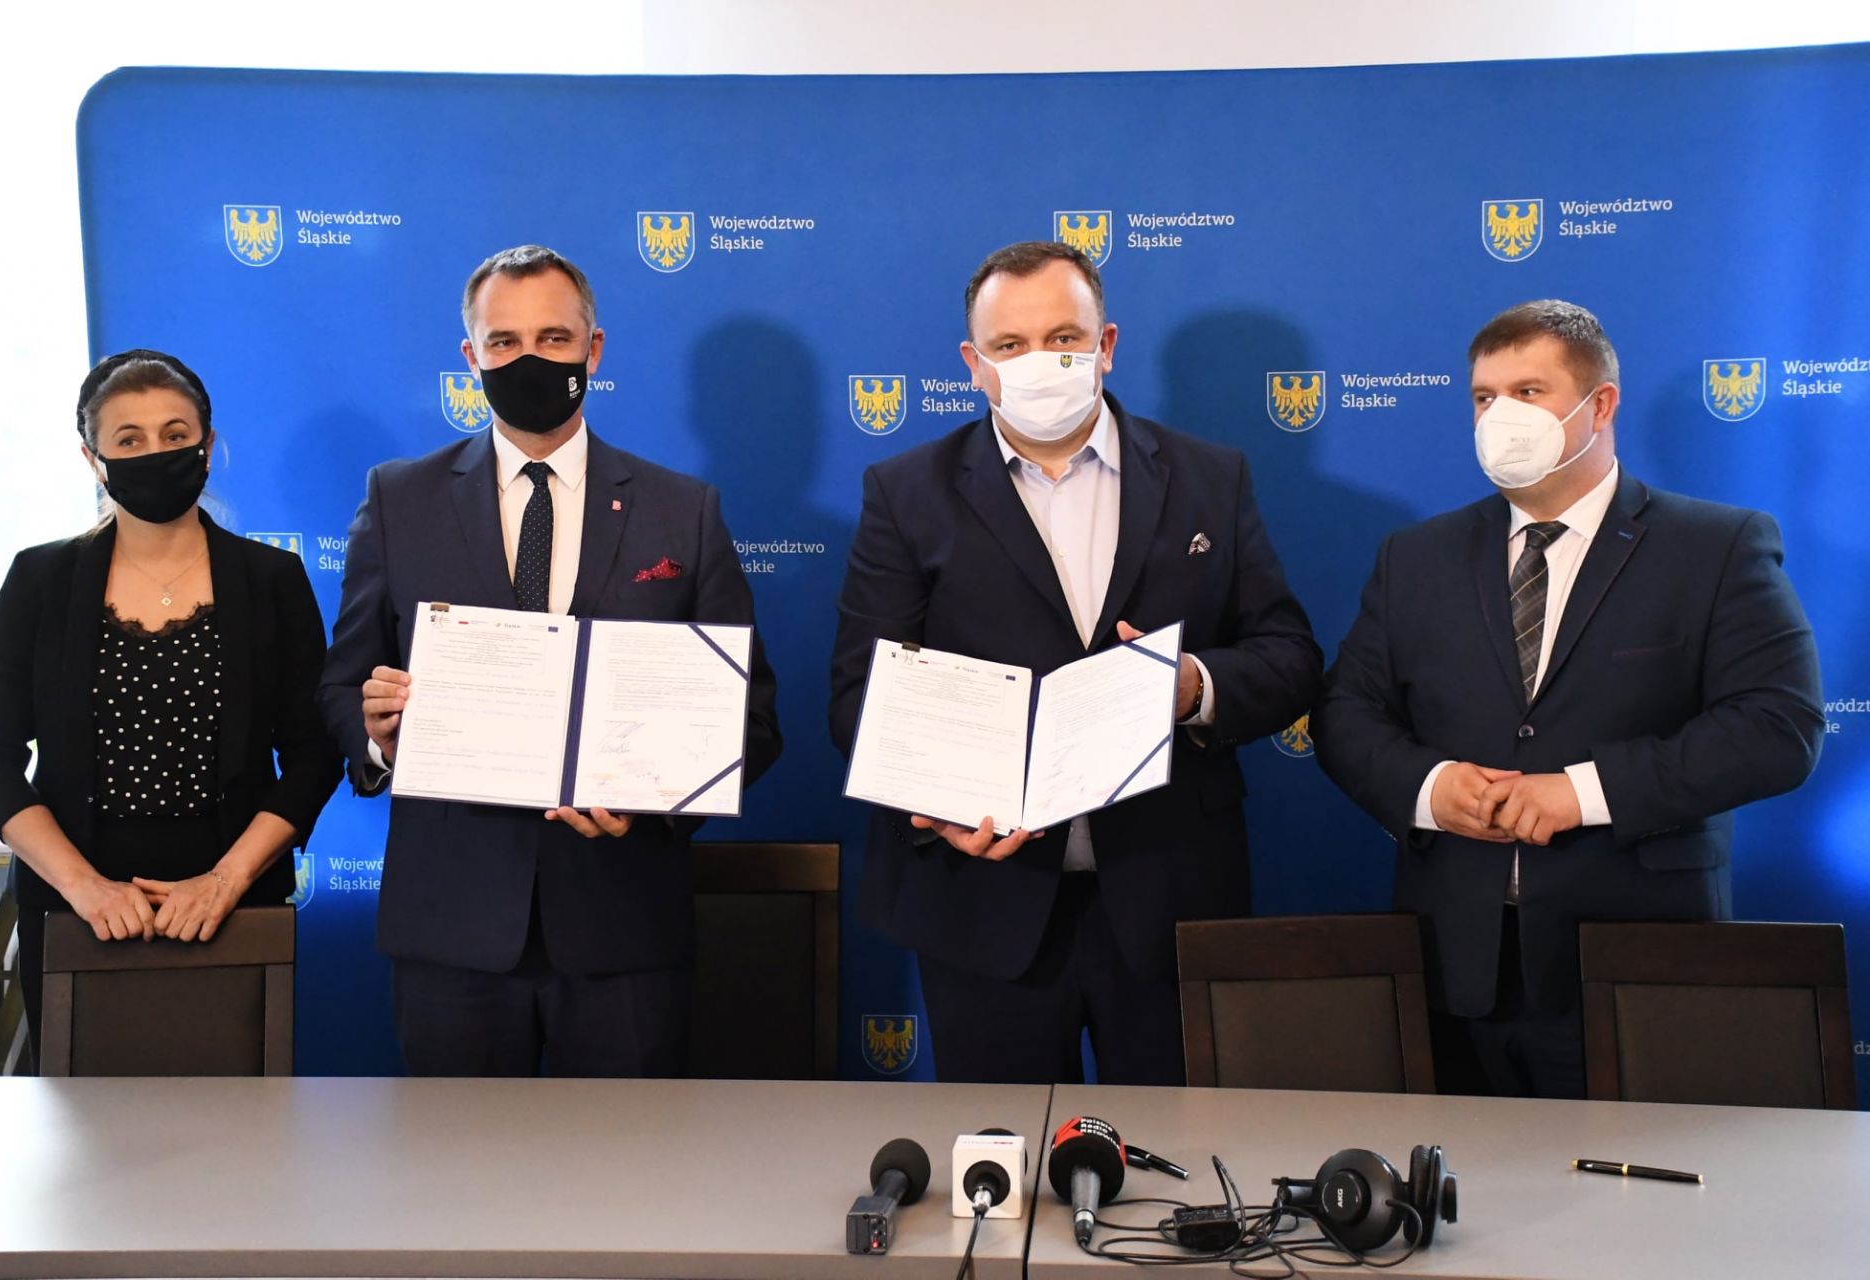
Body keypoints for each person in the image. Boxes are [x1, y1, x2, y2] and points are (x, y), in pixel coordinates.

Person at [829, 240, 1322, 1085]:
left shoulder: (1211, 478)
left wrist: (1193, 688)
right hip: (982, 903)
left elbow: (1289, 657)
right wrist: (942, 801)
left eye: (1063, 338)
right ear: (973, 365)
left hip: (1170, 897)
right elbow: (859, 696)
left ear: (1107, 345)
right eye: (1010, 345)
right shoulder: (906, 492)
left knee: (1178, 1159)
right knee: (998, 1157)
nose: (1040, 362)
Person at [1313, 299, 1824, 1098]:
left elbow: (1777, 728)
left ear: (1600, 405)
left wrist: (1581, 794)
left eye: (1529, 392)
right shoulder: (1415, 557)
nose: (1501, 417)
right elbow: (1345, 715)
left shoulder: (1716, 547)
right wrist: (1430, 789)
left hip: (1634, 969)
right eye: (1484, 397)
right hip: (1455, 970)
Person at [317, 244, 780, 1078]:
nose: (528, 359)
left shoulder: (683, 512)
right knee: (460, 1161)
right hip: (451, 931)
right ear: (471, 358)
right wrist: (378, 737)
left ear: (592, 351)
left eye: (553, 339)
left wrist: (651, 805)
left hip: (622, 927)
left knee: (627, 1159)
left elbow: (752, 720)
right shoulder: (399, 500)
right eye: (504, 342)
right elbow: (343, 685)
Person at [0, 349, 344, 1067]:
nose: (155, 452)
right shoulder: (40, 579)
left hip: (234, 908)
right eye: (128, 439)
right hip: (73, 913)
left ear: (207, 445)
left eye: (174, 434)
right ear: (93, 458)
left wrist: (225, 882)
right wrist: (85, 888)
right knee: (84, 1128)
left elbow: (315, 754)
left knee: (239, 1127)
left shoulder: (272, 578)